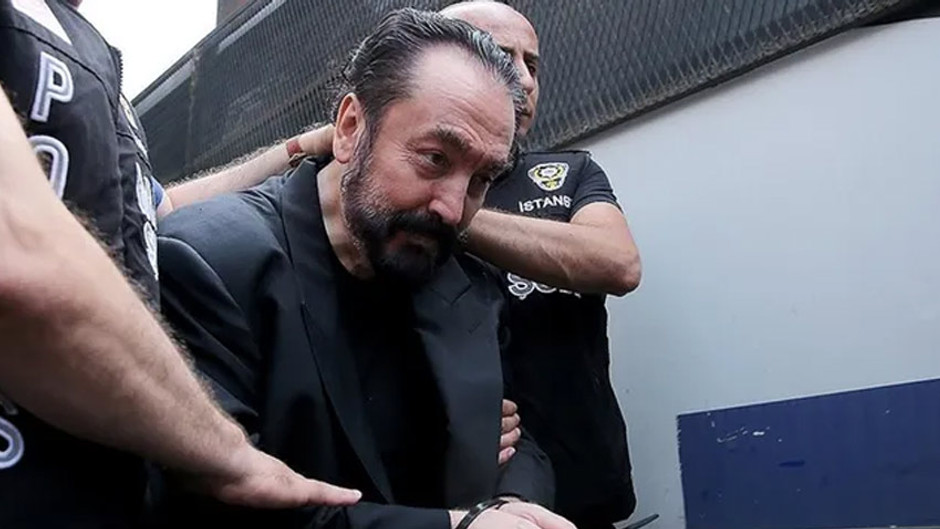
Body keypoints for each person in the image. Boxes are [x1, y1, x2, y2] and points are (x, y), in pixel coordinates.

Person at [156, 9, 573, 529]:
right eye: (435, 159)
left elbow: (517, 440)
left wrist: (512, 507)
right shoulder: (211, 262)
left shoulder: (464, 281)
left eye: (482, 179)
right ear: (351, 127)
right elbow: (218, 505)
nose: (453, 208)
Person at [0, 0, 359, 526]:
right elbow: (20, 260)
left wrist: (299, 146)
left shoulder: (84, 47)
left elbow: (157, 208)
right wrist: (226, 452)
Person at [441, 3, 644, 528]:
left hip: (587, 479)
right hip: (463, 499)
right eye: (500, 56)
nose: (525, 80)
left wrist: (451, 217)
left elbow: (618, 263)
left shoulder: (569, 172)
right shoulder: (398, 188)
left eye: (532, 64)